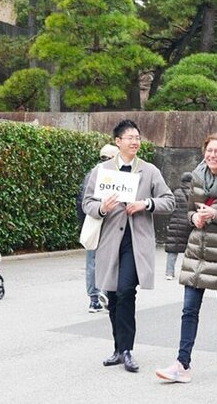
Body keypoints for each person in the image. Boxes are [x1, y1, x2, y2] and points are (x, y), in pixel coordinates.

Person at [156, 133, 217, 384]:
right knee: (189, 309)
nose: (212, 155)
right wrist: (194, 219)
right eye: (209, 150)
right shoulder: (197, 177)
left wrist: (215, 215)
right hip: (197, 250)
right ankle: (182, 364)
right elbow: (189, 212)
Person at [83, 120, 175, 373]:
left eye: (137, 137)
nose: (135, 142)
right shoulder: (101, 171)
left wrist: (145, 204)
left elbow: (169, 201)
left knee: (125, 291)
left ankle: (127, 350)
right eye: (129, 137)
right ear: (118, 142)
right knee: (112, 294)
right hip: (109, 241)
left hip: (136, 243)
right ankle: (117, 348)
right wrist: (102, 208)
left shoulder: (149, 171)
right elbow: (87, 203)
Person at [77, 144, 118, 312]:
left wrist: (84, 224)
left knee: (92, 260)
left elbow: (82, 202)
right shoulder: (116, 175)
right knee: (111, 260)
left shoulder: (91, 174)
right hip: (111, 222)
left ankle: (94, 298)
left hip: (93, 220)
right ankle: (107, 294)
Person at [164, 171, 193, 280]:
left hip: (176, 224)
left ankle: (169, 273)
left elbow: (170, 209)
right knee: (190, 250)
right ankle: (186, 272)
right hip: (190, 224)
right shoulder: (195, 193)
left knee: (173, 249)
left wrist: (169, 223)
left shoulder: (176, 192)